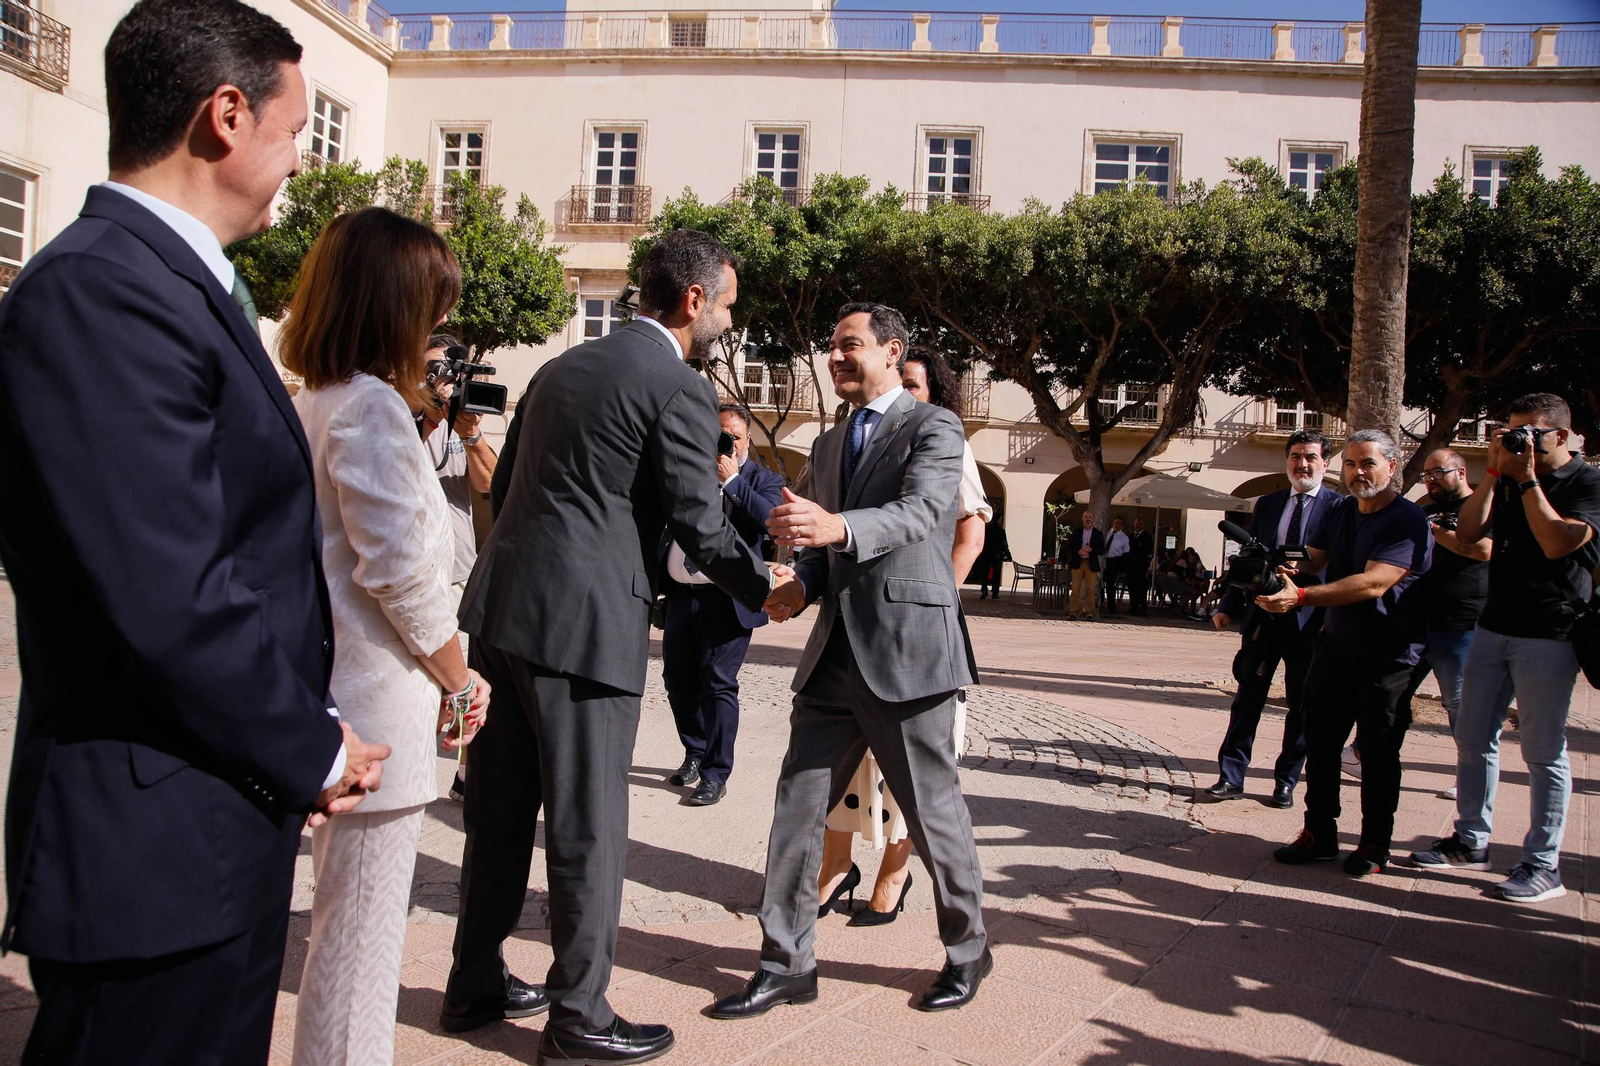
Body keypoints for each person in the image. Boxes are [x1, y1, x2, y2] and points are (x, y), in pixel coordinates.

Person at [0, 3, 391, 1062]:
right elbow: (170, 587)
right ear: (227, 115)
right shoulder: (104, 289)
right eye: (299, 127)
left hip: (207, 815)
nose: (303, 160)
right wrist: (308, 746)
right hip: (147, 843)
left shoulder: (177, 283)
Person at [443, 229, 786, 1064]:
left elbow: (513, 478)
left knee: (495, 813)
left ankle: (474, 982)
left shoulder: (563, 367)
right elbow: (700, 523)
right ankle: (579, 1018)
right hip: (586, 626)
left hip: (500, 614)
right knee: (590, 823)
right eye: (729, 304)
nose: (729, 320)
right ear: (695, 300)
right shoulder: (677, 385)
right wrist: (765, 586)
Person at [711, 303, 990, 1021]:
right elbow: (821, 551)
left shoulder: (936, 426)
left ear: (892, 352)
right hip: (833, 656)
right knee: (797, 812)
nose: (835, 357)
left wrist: (834, 526)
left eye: (849, 345)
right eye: (831, 347)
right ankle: (786, 962)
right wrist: (801, 584)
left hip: (910, 655)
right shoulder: (829, 444)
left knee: (932, 815)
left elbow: (922, 514)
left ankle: (968, 950)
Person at [284, 208, 489, 1066]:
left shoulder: (314, 401)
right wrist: (460, 677)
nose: (439, 330)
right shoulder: (368, 407)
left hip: (336, 693)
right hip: (376, 701)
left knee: (343, 933)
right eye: (431, 308)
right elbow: (400, 575)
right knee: (360, 950)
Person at [815, 346, 989, 927]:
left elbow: (963, 534)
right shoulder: (840, 443)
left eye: (916, 386)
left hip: (912, 636)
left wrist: (932, 599)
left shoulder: (941, 440)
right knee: (833, 783)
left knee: (913, 786)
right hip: (844, 640)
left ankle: (897, 870)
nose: (904, 396)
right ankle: (833, 869)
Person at [1412, 393, 1600, 903]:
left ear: (1561, 435)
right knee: (1473, 736)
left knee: (1542, 750)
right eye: (1512, 433)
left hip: (1551, 632)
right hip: (1493, 625)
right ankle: (1471, 839)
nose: (1521, 443)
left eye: (1531, 434)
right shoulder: (1510, 478)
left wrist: (1528, 479)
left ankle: (1543, 865)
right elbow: (1471, 530)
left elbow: (1559, 541)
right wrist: (1495, 474)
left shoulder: (1588, 482)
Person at [1264, 429, 1432, 877]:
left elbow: (1375, 581)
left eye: (1368, 463)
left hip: (1389, 657)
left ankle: (1375, 844)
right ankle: (1318, 833)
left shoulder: (1407, 520)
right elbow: (1313, 557)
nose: (1358, 472)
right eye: (1352, 464)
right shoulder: (1341, 513)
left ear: (1392, 467)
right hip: (1335, 647)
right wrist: (1283, 571)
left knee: (1378, 755)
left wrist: (1300, 597)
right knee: (1319, 745)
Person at [660, 404, 785, 806]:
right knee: (678, 682)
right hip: (681, 595)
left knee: (717, 684)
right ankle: (695, 753)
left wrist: (731, 480)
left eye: (733, 435)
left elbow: (769, 521)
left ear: (748, 438)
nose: (725, 442)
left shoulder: (763, 479)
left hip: (727, 600)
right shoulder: (689, 472)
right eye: (718, 435)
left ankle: (716, 773)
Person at [1205, 430, 1335, 808]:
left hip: (1309, 621)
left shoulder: (1337, 508)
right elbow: (1251, 559)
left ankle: (1286, 781)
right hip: (1264, 617)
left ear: (1325, 463)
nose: (1302, 464)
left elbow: (1341, 565)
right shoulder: (1269, 504)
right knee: (1248, 698)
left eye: (1310, 456)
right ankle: (1231, 776)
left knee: (1301, 704)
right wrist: (1228, 604)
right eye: (1295, 456)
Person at [419, 332, 500, 802]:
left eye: (451, 372)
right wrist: (429, 415)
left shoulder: (462, 422)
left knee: (467, 684)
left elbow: (492, 484)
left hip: (458, 573)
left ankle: (466, 778)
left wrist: (469, 434)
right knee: (424, 686)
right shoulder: (402, 415)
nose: (444, 381)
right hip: (417, 573)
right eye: (435, 370)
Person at [1398, 448, 1491, 801]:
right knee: (1394, 692)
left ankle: (1470, 776)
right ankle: (1362, 753)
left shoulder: (1480, 510)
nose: (1431, 480)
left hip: (1461, 624)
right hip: (1418, 621)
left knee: (1458, 704)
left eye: (1438, 472)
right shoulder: (1425, 512)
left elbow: (1484, 550)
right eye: (1426, 474)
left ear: (1461, 472)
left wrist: (1436, 533)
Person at [1063, 512, 1106, 620]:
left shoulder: (1098, 533)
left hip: (1090, 564)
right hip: (1078, 563)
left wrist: (1091, 550)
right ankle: (1073, 611)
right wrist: (1078, 551)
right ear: (1082, 519)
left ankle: (1089, 612)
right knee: (1075, 589)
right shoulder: (1077, 532)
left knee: (1090, 590)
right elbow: (1069, 547)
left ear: (1093, 519)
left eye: (1090, 517)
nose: (1088, 519)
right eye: (1086, 517)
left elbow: (1102, 550)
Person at [1102, 516, 1131, 614]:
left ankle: (1111, 607)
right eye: (1116, 523)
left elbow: (1126, 552)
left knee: (1110, 585)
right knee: (1098, 582)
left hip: (1113, 561)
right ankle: (1099, 602)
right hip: (1102, 559)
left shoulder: (1124, 538)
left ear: (1122, 525)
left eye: (1119, 523)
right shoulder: (1106, 532)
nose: (1117, 525)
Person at [1127, 517, 1155, 615]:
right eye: (1136, 524)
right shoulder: (1131, 536)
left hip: (1141, 566)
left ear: (1142, 525)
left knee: (1141, 588)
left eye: (1139, 524)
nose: (1137, 526)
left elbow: (1146, 550)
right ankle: (1133, 607)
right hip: (1131, 566)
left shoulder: (1147, 536)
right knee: (1132, 588)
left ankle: (1142, 608)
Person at [976, 520, 1011, 599]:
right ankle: (995, 592)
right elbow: (1004, 545)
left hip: (986, 554)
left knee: (984, 573)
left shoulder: (986, 529)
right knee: (996, 574)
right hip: (997, 555)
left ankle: (984, 589)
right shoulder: (1000, 531)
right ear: (998, 520)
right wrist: (1008, 556)